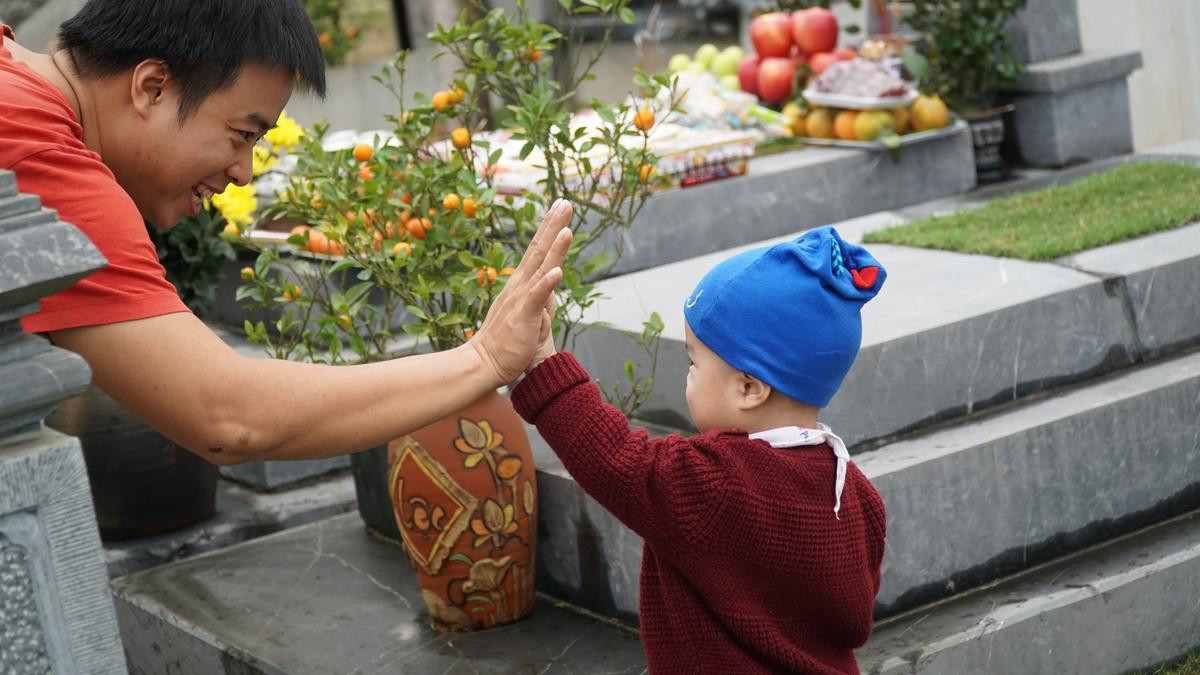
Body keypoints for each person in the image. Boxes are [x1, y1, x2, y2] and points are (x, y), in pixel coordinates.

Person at [1, 0, 571, 465]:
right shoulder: (41, 153)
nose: (242, 173)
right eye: (242, 134)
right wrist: (486, 360)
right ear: (152, 87)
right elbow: (229, 416)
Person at [511, 226, 889, 674]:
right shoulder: (858, 495)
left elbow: (616, 460)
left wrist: (543, 364)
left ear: (749, 388)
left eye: (694, 361)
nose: (687, 374)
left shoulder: (715, 482)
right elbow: (854, 621)